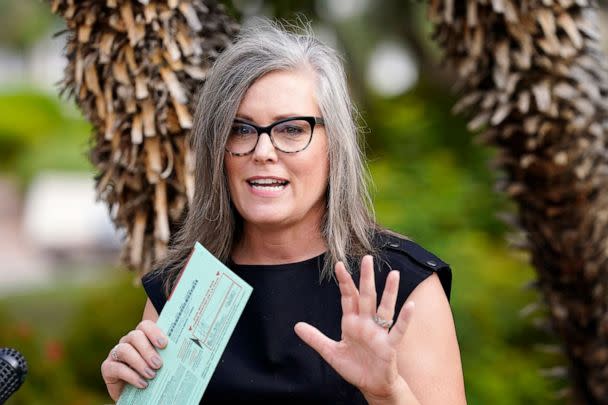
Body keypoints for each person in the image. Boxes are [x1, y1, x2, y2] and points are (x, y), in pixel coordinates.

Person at [100, 17, 466, 404]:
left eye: (291, 129)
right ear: (216, 152)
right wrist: (132, 397)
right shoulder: (184, 288)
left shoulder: (401, 286)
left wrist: (386, 393)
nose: (262, 151)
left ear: (334, 146)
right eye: (240, 130)